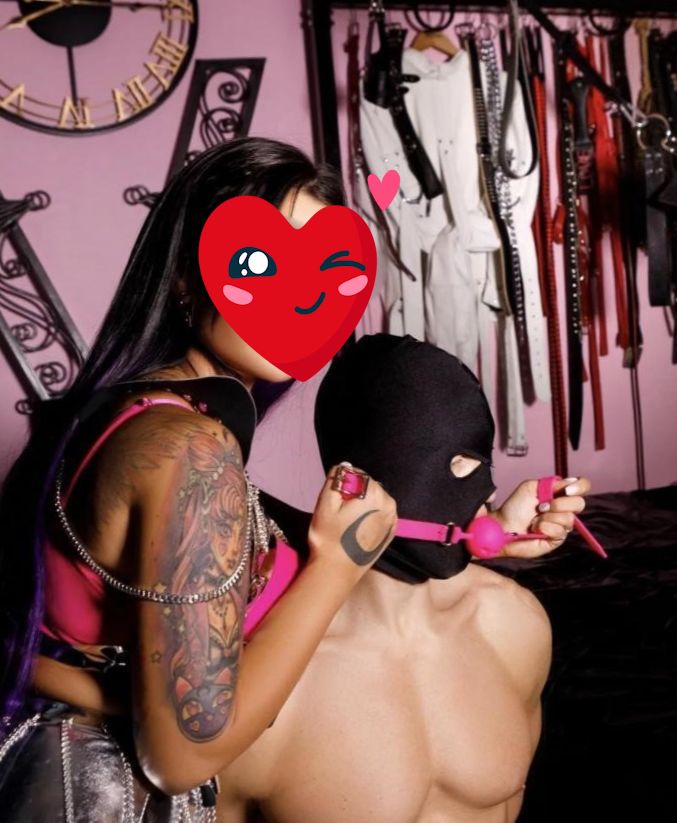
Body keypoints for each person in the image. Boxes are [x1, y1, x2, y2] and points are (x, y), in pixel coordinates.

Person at [0, 137, 399, 820]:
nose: (303, 294)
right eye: (260, 263)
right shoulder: (191, 453)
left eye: (326, 269)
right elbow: (182, 753)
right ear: (186, 279)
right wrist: (336, 571)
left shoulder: (132, 416)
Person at [217, 333, 591, 823]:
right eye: (453, 465)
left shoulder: (514, 625)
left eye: (481, 462)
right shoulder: (269, 691)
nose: (483, 491)